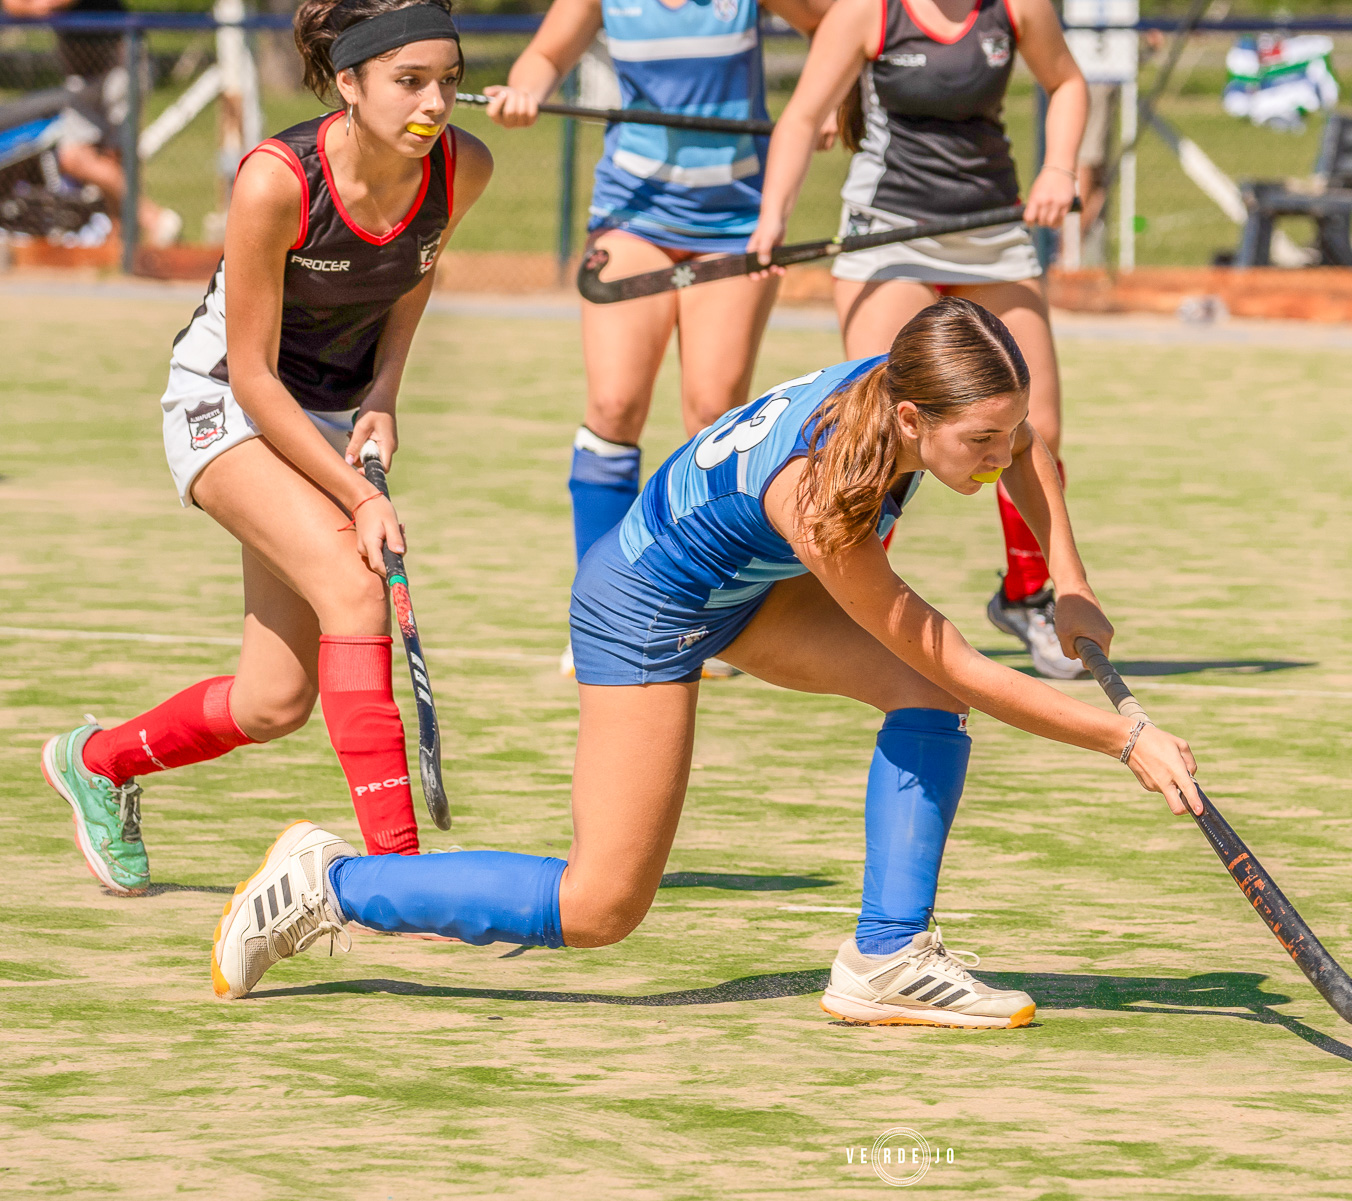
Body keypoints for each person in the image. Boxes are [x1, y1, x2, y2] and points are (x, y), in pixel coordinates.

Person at [211, 298, 1201, 1030]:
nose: (995, 455)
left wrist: (1064, 577)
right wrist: (1123, 737)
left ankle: (888, 959)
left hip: (741, 585)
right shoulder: (818, 491)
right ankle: (327, 884)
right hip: (646, 608)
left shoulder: (915, 379)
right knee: (600, 906)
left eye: (1001, 430)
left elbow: (1026, 449)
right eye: (973, 442)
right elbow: (948, 647)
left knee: (926, 699)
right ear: (911, 423)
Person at [38, 0, 492, 895]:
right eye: (410, 82)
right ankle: (400, 881)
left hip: (327, 410)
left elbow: (414, 275)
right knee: (355, 590)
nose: (435, 103)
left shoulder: (459, 168)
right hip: (228, 403)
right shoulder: (276, 180)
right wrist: (361, 496)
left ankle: (97, 761)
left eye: (449, 80)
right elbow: (249, 375)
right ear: (350, 84)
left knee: (273, 701)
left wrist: (386, 393)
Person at [479, 0, 831, 678]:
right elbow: (546, 55)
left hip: (736, 224)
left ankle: (709, 613)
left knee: (715, 414)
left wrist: (826, 103)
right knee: (613, 407)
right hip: (631, 216)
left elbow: (830, 28)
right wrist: (527, 87)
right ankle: (603, 613)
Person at [745, 0, 1089, 678]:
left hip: (992, 235)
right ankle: (852, 597)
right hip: (887, 234)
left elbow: (1068, 83)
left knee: (1034, 425)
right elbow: (803, 116)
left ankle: (1030, 598)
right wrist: (772, 216)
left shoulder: (1017, 9)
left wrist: (1061, 168)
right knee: (876, 421)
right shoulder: (868, 12)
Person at [2, 0, 183, 245]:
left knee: (116, 156)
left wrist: (29, 6)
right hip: (83, 76)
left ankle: (127, 235)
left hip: (120, 61)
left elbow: (41, 6)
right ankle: (149, 220)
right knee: (73, 156)